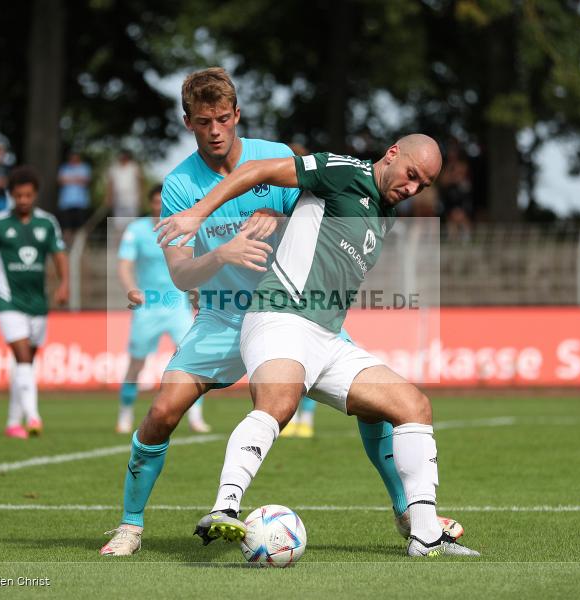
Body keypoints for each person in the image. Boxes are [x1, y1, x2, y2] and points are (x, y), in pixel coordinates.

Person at [100, 68, 418, 557]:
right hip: (224, 317)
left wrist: (280, 213)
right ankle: (130, 526)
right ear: (188, 122)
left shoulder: (273, 156)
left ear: (237, 115)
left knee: (376, 405)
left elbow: (324, 205)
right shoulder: (179, 186)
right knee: (162, 412)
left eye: (223, 118)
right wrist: (220, 255)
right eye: (204, 121)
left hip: (293, 315)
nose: (215, 130)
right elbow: (182, 275)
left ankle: (407, 515)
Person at [157, 134, 480, 558]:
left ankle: (424, 535)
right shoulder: (344, 170)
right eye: (412, 176)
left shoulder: (385, 213)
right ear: (392, 154)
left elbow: (304, 217)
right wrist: (198, 214)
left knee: (413, 406)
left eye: (423, 186)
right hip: (280, 316)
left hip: (327, 338)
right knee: (279, 402)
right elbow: (258, 171)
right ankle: (225, 507)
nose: (413, 189)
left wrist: (277, 213)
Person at [0, 166, 69, 439]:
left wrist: (64, 284)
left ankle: (13, 422)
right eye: (18, 196)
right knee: (23, 357)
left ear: (35, 195)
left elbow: (59, 255)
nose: (23, 200)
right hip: (7, 300)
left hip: (38, 303)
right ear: (11, 195)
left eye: (28, 195)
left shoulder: (47, 223)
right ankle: (34, 416)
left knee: (24, 363)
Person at [115, 184, 210, 434]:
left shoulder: (183, 227)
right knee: (136, 363)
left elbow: (195, 263)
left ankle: (196, 418)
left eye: (163, 202)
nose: (159, 206)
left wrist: (196, 293)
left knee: (193, 360)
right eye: (155, 202)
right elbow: (124, 264)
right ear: (150, 204)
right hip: (148, 306)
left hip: (177, 305)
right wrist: (131, 288)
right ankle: (125, 414)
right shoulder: (136, 230)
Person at [57, 150, 92, 244]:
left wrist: (69, 180)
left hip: (80, 203)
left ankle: (80, 249)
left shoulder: (84, 167)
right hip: (66, 203)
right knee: (66, 228)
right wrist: (77, 179)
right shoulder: (64, 167)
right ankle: (67, 248)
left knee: (80, 229)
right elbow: (61, 181)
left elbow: (85, 181)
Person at [105, 150, 143, 220]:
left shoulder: (134, 167)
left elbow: (140, 182)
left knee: (132, 219)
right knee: (118, 221)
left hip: (132, 199)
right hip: (118, 199)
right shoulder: (114, 168)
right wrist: (109, 197)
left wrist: (140, 197)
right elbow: (110, 183)